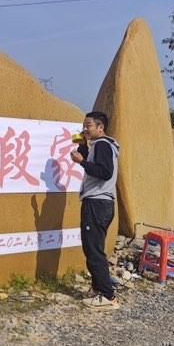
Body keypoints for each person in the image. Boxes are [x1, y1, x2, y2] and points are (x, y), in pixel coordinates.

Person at [70, 111, 120, 310]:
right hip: (100, 203)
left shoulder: (102, 145)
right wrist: (83, 146)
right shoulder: (99, 145)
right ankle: (99, 288)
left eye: (88, 125)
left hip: (97, 204)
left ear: (100, 127)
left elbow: (105, 172)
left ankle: (107, 296)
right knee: (93, 246)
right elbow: (94, 166)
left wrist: (81, 162)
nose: (85, 129)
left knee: (93, 249)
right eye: (84, 126)